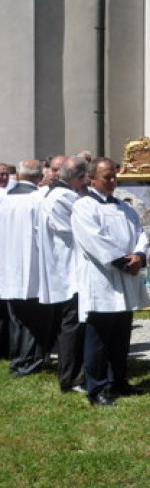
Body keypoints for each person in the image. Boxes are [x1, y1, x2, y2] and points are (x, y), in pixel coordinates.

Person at [72, 157, 150, 406]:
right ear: (91, 178)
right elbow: (95, 241)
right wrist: (124, 262)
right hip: (102, 280)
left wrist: (139, 255)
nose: (112, 180)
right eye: (107, 177)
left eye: (115, 175)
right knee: (98, 339)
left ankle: (119, 381)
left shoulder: (124, 208)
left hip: (125, 280)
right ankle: (97, 388)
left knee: (120, 336)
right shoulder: (84, 207)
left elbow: (140, 233)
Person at [37, 156, 90, 392]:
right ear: (80, 178)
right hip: (70, 270)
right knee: (72, 327)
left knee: (69, 325)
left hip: (63, 269)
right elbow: (83, 227)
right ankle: (71, 378)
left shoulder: (53, 194)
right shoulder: (66, 197)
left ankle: (72, 374)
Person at [0, 159, 51, 377]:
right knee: (34, 319)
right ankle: (30, 362)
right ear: (39, 177)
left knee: (16, 319)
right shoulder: (39, 199)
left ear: (18, 175)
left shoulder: (5, 200)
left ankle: (18, 359)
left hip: (8, 266)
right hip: (33, 266)